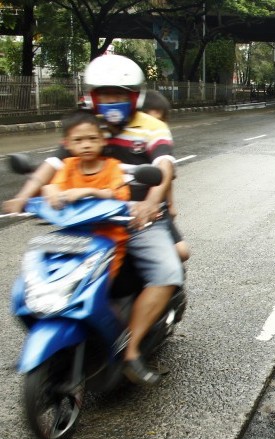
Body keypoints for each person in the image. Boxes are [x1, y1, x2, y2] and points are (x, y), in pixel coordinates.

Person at [2, 54, 183, 386]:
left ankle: (130, 351)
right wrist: (26, 194)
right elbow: (55, 164)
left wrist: (150, 205)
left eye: (119, 94)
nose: (111, 101)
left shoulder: (152, 127)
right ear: (92, 96)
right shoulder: (86, 127)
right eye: (105, 94)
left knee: (167, 272)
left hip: (137, 218)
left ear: (134, 96)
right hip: (85, 220)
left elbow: (165, 169)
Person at [42, 110, 131, 277]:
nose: (86, 145)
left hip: (109, 239)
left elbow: (120, 194)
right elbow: (55, 186)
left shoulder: (112, 166)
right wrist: (50, 190)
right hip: (76, 236)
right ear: (67, 144)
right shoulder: (68, 165)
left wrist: (89, 191)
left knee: (98, 281)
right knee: (39, 254)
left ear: (103, 141)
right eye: (78, 140)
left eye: (92, 139)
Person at [141, 90, 190, 263]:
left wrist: (170, 206)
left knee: (182, 252)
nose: (156, 125)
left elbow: (168, 179)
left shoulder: (160, 147)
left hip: (158, 210)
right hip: (131, 211)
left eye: (160, 121)